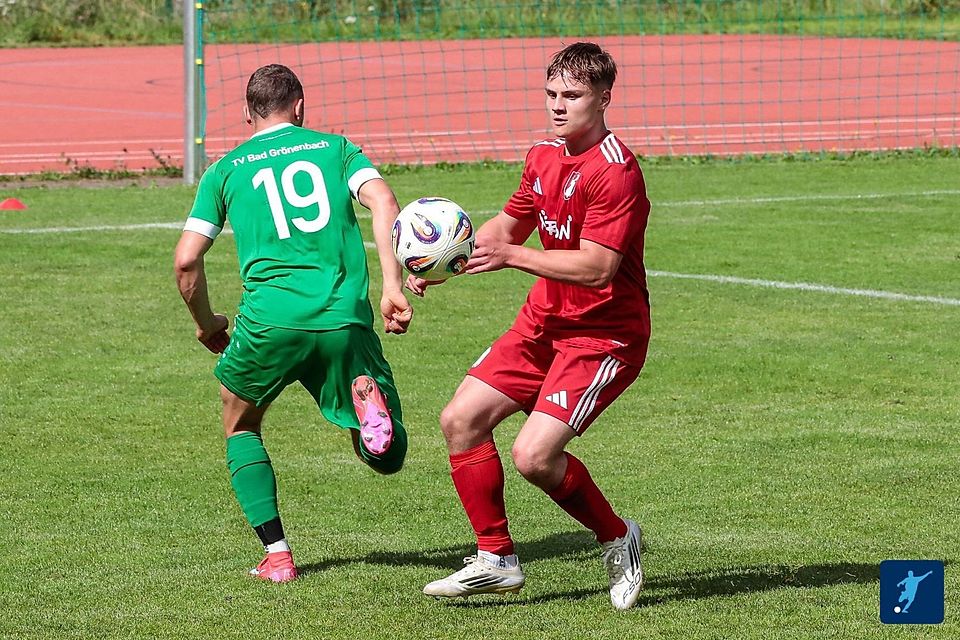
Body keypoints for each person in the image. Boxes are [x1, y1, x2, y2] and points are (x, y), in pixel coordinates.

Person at [409, 42, 651, 610]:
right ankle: (495, 559)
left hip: (602, 336)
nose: (558, 105)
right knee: (461, 419)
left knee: (534, 457)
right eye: (551, 94)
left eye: (573, 95)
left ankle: (619, 537)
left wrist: (513, 258)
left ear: (604, 98)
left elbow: (597, 268)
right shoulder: (542, 155)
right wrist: (440, 263)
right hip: (543, 323)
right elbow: (506, 227)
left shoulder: (616, 171)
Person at [174, 64, 412, 583]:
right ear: (300, 107)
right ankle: (369, 419)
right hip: (342, 317)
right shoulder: (336, 149)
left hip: (268, 323)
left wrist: (207, 324)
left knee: (241, 423)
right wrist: (392, 285)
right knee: (388, 459)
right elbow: (384, 201)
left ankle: (278, 555)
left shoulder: (225, 170)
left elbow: (186, 261)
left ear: (247, 113)